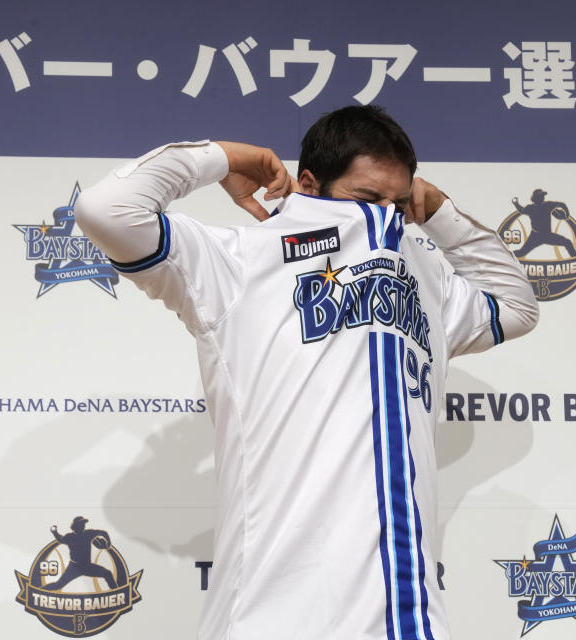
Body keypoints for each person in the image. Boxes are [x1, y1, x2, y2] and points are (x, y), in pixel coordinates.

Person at [74, 105, 538, 640]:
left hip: (406, 616)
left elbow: (516, 307)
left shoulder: (423, 273)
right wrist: (222, 158)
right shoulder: (239, 260)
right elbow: (107, 209)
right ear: (310, 184)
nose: (384, 217)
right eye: (366, 199)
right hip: (271, 615)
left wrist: (437, 211)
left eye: (397, 202)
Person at [47, 516, 117, 590]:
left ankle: (116, 592)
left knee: (107, 573)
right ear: (75, 526)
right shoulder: (70, 536)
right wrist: (55, 532)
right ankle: (40, 591)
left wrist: (108, 543)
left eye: (83, 524)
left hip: (87, 566)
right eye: (81, 524)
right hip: (74, 567)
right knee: (58, 585)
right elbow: (60, 539)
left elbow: (103, 533)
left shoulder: (88, 533)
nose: (83, 526)